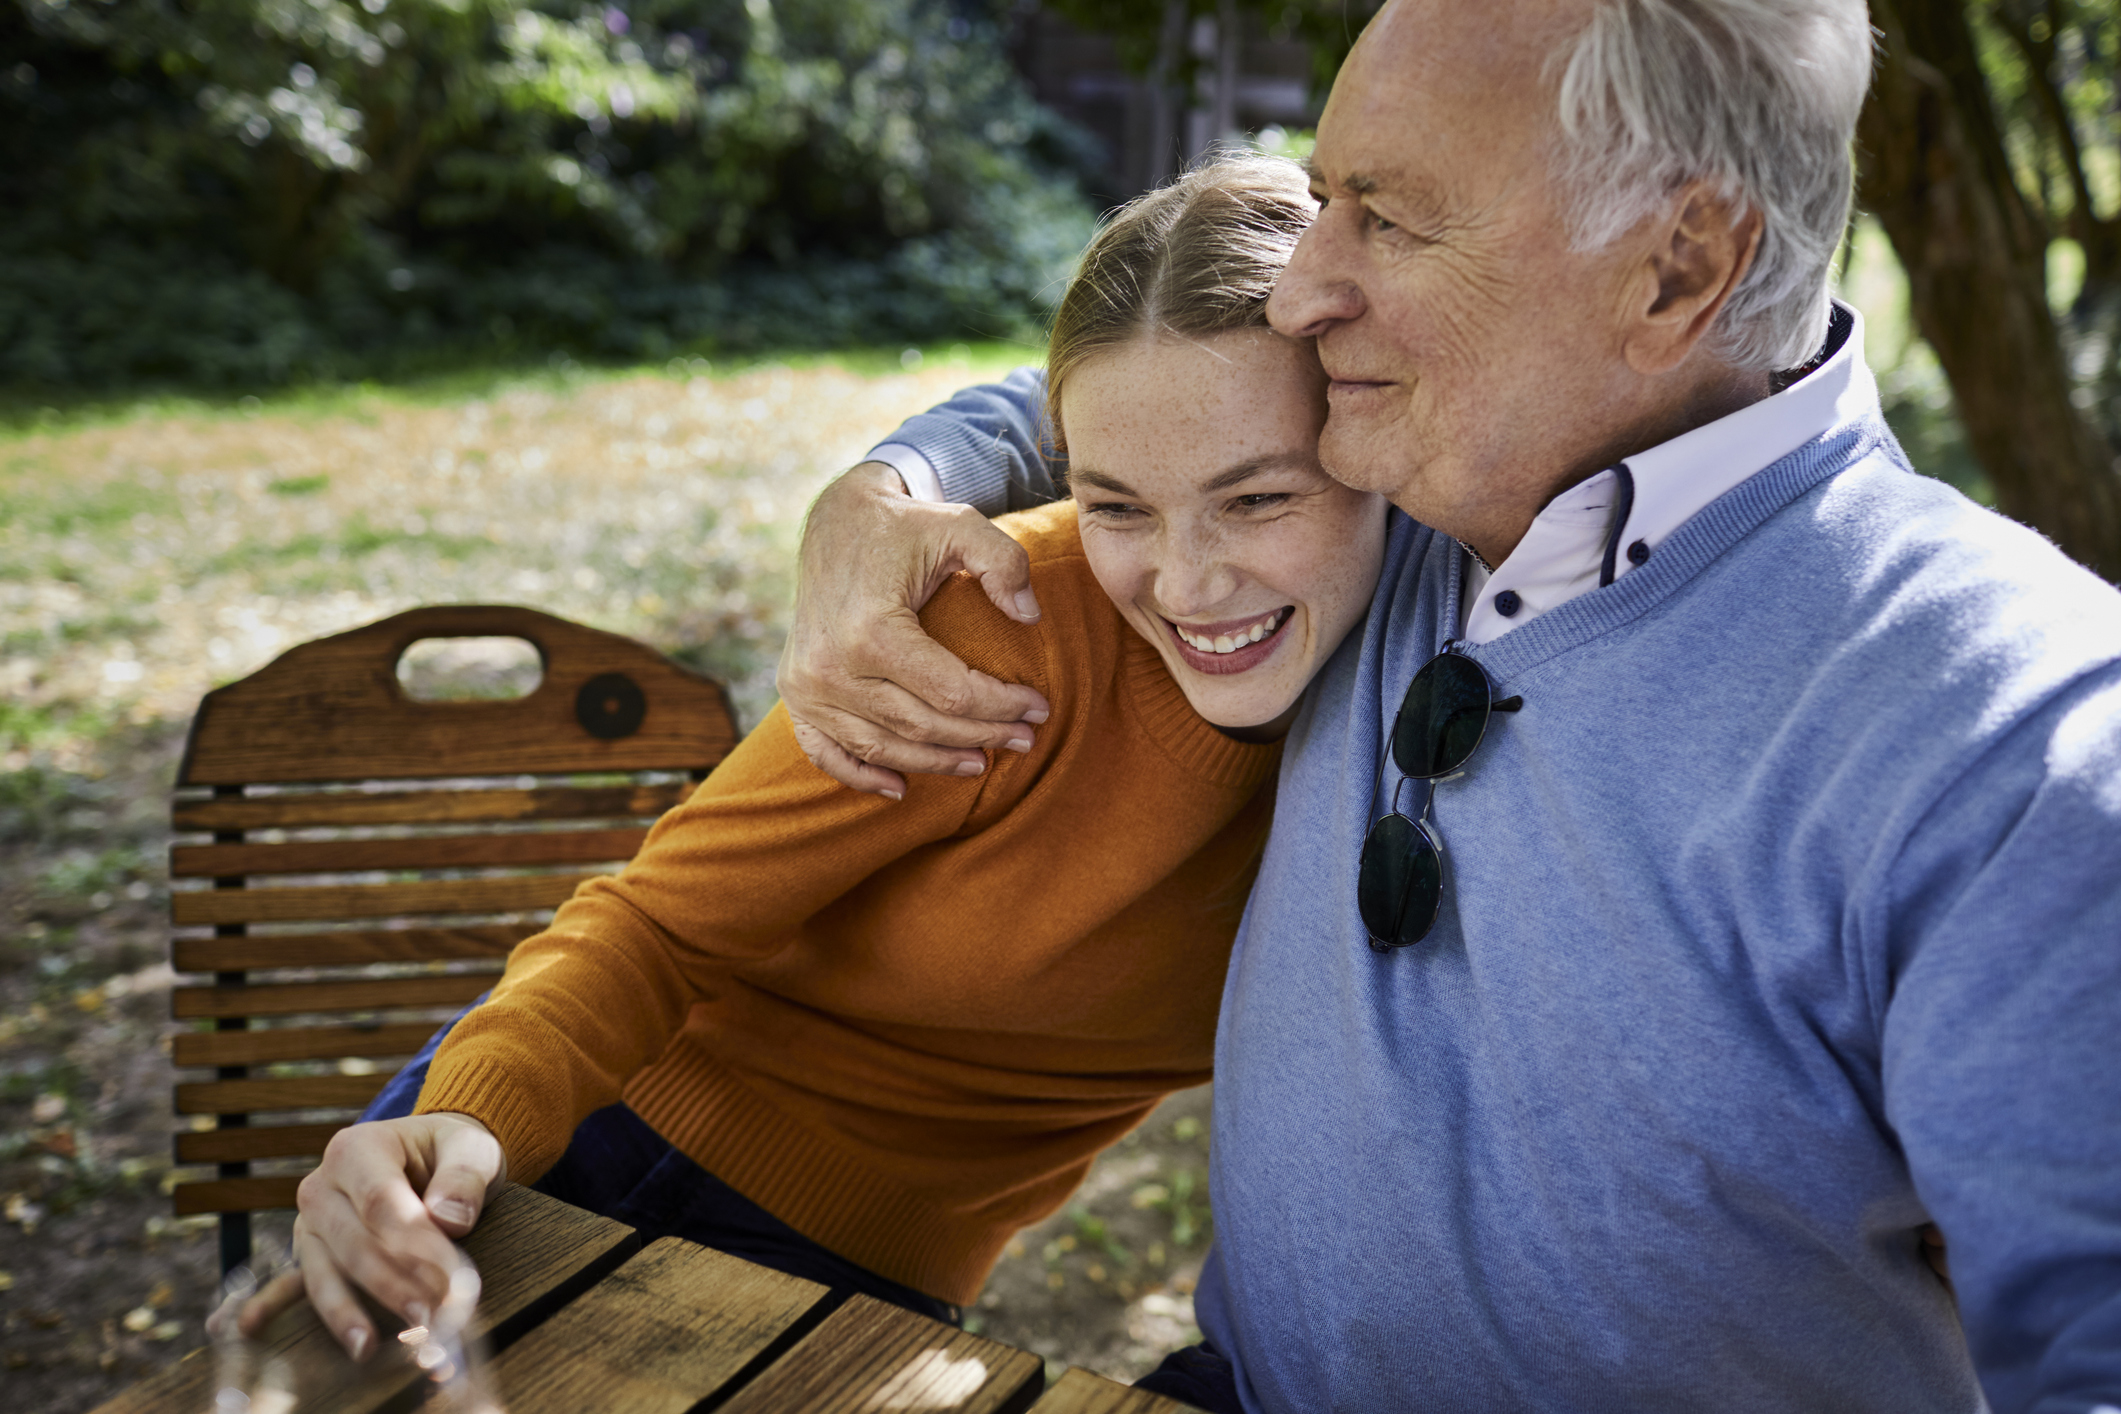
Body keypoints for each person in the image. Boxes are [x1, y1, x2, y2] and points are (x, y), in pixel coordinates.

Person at [772, 2, 2121, 1411]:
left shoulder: (2015, 729)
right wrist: (892, 484)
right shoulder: (1386, 484)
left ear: (1677, 268)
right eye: (1318, 198)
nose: (1301, 288)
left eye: (1384, 221)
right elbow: (1152, 397)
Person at [245, 154, 1388, 1411]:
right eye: (1118, 505)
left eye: (1260, 495)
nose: (1185, 583)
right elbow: (656, 919)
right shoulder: (1001, 629)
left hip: (854, 1284)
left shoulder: (1428, 727)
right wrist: (471, 1115)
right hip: (566, 1143)